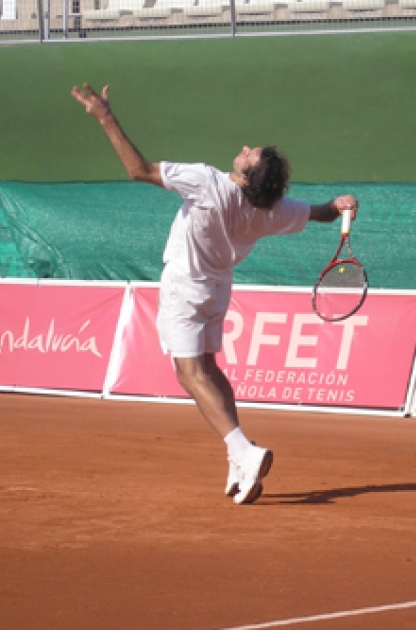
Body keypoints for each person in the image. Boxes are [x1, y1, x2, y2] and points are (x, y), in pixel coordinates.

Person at [72, 83, 358, 505]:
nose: (243, 148)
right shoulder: (273, 210)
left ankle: (245, 449)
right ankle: (236, 457)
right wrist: (340, 204)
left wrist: (105, 118)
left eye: (249, 154)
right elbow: (318, 213)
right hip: (218, 289)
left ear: (246, 174)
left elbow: (138, 170)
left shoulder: (207, 182)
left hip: (186, 287)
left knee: (189, 374)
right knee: (209, 368)